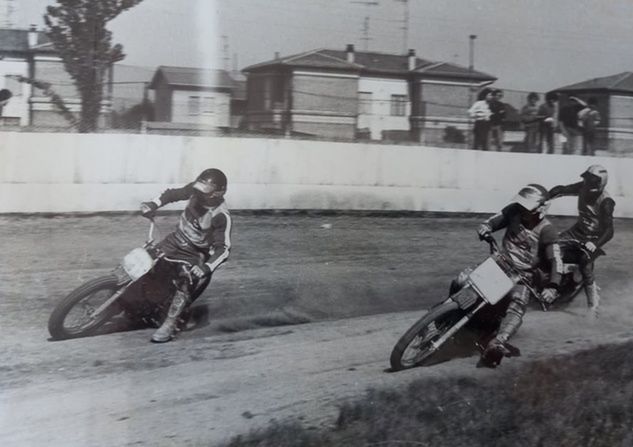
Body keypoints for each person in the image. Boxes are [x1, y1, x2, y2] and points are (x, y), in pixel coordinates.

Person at [140, 168, 232, 343]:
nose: (198, 194)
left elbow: (224, 249)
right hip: (175, 239)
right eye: (198, 188)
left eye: (205, 192)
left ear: (218, 193)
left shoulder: (221, 216)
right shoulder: (196, 190)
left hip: (196, 253)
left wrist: (206, 267)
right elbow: (172, 194)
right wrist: (153, 204)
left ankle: (169, 323)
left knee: (185, 282)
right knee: (147, 261)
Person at [476, 184, 562, 368]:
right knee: (463, 280)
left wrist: (553, 286)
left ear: (540, 209)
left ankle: (498, 342)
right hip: (499, 264)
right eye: (521, 205)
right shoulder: (513, 211)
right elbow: (494, 221)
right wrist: (485, 227)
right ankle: (444, 315)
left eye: (527, 208)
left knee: (517, 306)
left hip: (522, 276)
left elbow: (556, 261)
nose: (522, 210)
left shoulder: (547, 230)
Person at [549, 165, 615, 319]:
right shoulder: (583, 187)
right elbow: (563, 189)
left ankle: (593, 305)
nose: (586, 184)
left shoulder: (606, 202)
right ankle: (554, 285)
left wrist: (596, 244)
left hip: (593, 238)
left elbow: (609, 230)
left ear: (599, 183)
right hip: (576, 232)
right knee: (552, 246)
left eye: (590, 181)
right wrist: (547, 196)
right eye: (586, 180)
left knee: (585, 263)